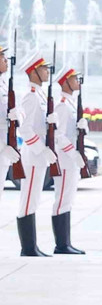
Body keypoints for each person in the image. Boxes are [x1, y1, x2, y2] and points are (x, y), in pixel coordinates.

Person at [15, 51, 58, 257]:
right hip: (33, 155)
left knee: (35, 199)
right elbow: (25, 130)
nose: (46, 71)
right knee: (28, 198)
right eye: (43, 68)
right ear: (33, 72)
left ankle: (33, 246)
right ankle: (28, 247)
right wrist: (42, 150)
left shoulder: (40, 94)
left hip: (39, 155)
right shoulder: (30, 97)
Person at [50, 67, 87, 254]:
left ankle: (67, 242)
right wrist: (73, 154)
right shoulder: (63, 106)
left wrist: (83, 128)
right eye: (74, 79)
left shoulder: (71, 104)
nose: (78, 81)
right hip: (65, 160)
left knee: (68, 199)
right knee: (62, 199)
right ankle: (61, 244)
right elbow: (59, 136)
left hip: (71, 160)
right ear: (65, 81)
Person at [0, 45, 25, 221]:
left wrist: (17, 116)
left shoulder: (3, 85)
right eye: (2, 57)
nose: (6, 61)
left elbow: (17, 114)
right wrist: (3, 147)